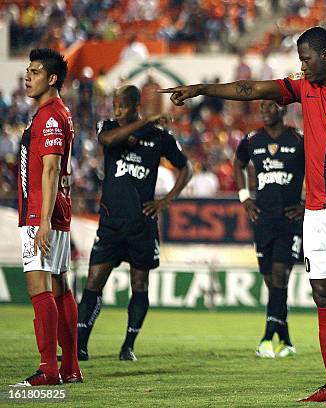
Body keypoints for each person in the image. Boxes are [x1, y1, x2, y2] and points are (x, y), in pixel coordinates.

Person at [160, 26, 326, 406]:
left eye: (306, 59)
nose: (302, 66)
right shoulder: (304, 88)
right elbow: (251, 90)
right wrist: (201, 89)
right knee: (323, 293)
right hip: (315, 209)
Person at [75, 85, 192, 361]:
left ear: (135, 105)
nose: (118, 111)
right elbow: (108, 141)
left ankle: (128, 346)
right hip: (111, 223)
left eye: (123, 106)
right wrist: (145, 120)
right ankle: (80, 346)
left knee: (140, 284)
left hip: (142, 224)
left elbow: (185, 168)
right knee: (93, 282)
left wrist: (166, 201)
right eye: (115, 105)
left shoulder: (159, 137)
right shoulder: (107, 126)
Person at [13, 48, 82, 386]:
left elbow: (52, 167)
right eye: (27, 70)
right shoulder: (54, 113)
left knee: (39, 287)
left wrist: (40, 221)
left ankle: (48, 368)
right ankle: (70, 367)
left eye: (35, 71)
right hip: (56, 212)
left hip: (43, 212)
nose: (28, 76)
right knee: (59, 286)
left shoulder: (51, 116)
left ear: (52, 78)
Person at [234, 100, 305, 358]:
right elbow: (238, 164)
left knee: (279, 278)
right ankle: (286, 341)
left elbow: (320, 171)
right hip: (263, 220)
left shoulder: (299, 140)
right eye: (262, 107)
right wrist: (245, 197)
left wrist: (306, 205)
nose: (264, 111)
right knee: (272, 282)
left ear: (282, 109)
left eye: (270, 106)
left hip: (289, 220)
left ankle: (265, 339)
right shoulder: (253, 140)